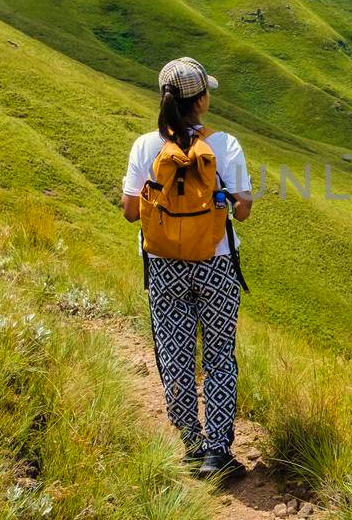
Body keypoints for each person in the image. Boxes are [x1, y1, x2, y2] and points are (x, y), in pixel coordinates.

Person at [120, 57, 254, 477]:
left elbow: (128, 211)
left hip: (163, 266)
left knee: (173, 352)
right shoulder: (225, 144)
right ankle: (218, 451)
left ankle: (192, 445)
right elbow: (244, 209)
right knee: (218, 354)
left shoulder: (145, 146)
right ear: (202, 99)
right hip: (215, 264)